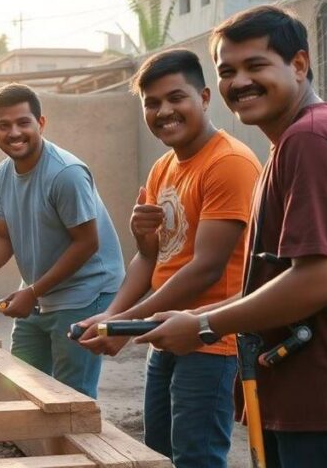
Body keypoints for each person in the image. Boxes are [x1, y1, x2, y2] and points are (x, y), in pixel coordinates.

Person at [138, 5, 327, 467]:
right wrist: (192, 315)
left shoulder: (314, 140)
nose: (239, 81)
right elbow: (277, 283)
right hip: (309, 402)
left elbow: (320, 281)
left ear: (299, 65)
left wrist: (204, 326)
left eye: (256, 65)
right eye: (228, 71)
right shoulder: (291, 144)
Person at [76, 49, 260, 467]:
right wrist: (112, 316)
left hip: (211, 338)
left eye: (176, 97)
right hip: (165, 332)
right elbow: (153, 261)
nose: (164, 111)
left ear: (205, 97)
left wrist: (126, 325)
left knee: (196, 457)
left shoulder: (228, 163)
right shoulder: (163, 167)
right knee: (156, 452)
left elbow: (206, 267)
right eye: (152, 103)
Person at [0, 83, 124, 398]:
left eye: (23, 122)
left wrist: (33, 291)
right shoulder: (3, 175)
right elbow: (4, 237)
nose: (14, 132)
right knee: (22, 382)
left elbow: (87, 244)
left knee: (71, 396)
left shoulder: (66, 173)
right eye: (4, 125)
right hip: (38, 293)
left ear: (41, 124)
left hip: (86, 293)